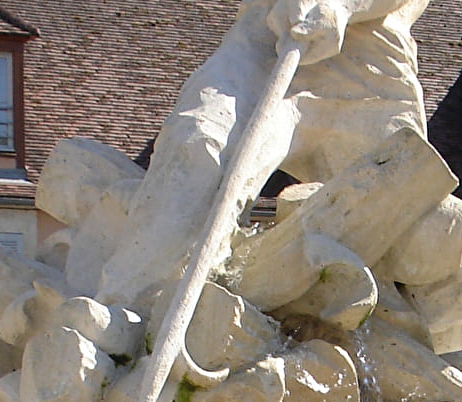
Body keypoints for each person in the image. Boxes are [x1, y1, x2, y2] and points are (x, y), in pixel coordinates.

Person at [94, 0, 430, 313]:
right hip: (263, 45)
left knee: (415, 218)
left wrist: (342, 3)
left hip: (372, 71)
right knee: (199, 148)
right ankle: (127, 318)